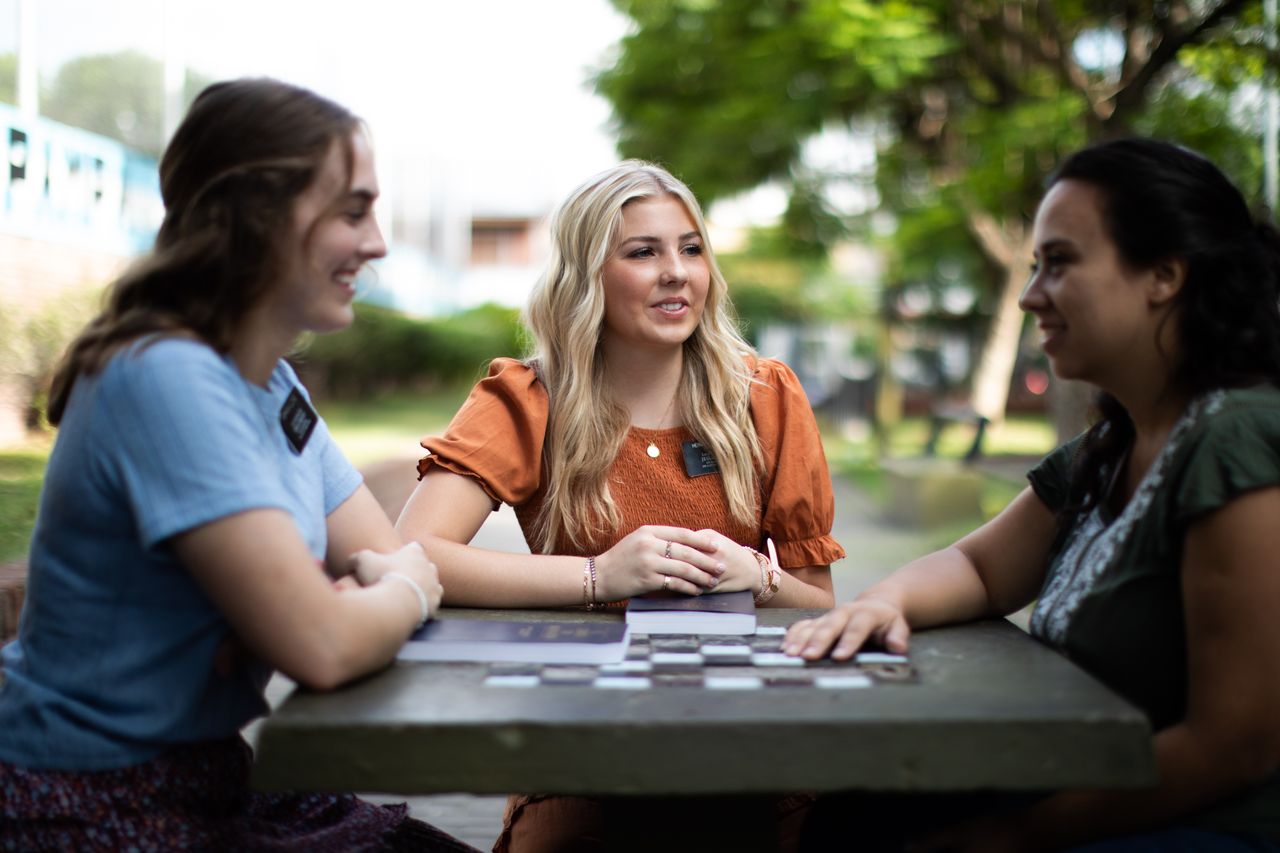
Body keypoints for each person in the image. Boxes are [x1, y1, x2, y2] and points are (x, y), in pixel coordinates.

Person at [0, 78, 476, 852]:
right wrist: (397, 595)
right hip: (91, 800)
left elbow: (381, 556)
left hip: (213, 777)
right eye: (352, 211)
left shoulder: (272, 385)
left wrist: (356, 599)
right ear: (259, 216)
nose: (378, 243)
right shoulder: (164, 376)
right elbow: (329, 640)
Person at [785, 137, 1280, 852]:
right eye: (1034, 266)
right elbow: (981, 568)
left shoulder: (1236, 438)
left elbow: (1236, 744)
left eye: (1060, 262)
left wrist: (1015, 834)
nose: (1029, 296)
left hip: (1201, 825)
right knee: (855, 812)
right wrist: (881, 603)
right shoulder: (1111, 445)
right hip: (1075, 787)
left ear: (1164, 275)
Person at [396, 160, 845, 851]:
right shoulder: (527, 399)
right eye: (643, 252)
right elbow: (413, 552)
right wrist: (598, 576)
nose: (677, 272)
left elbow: (819, 607)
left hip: (745, 741)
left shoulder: (765, 394)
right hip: (582, 743)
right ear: (586, 277)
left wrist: (755, 575)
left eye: (690, 249)